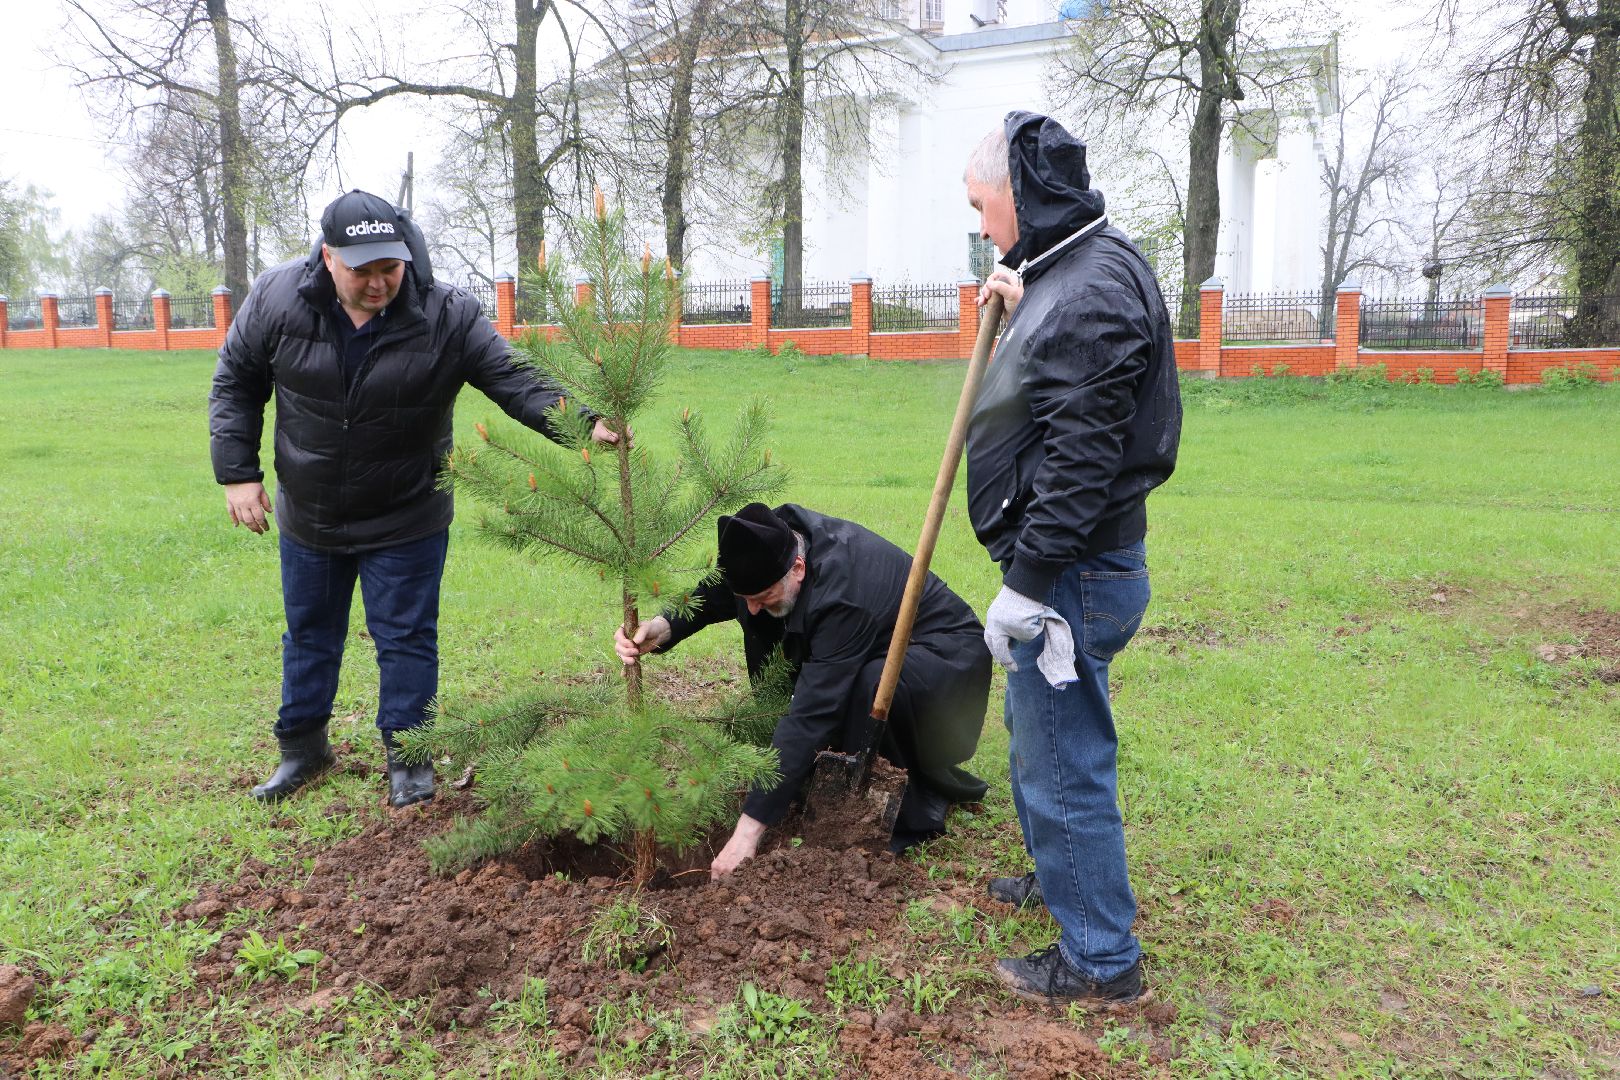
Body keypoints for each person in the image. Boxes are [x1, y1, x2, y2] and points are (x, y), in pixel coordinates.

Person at [210, 189, 618, 809]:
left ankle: (409, 758)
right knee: (310, 633)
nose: (379, 284)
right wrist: (237, 474)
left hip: (407, 511)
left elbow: (509, 376)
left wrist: (582, 422)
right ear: (327, 258)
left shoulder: (445, 314)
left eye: (390, 268)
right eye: (362, 270)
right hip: (310, 510)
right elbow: (236, 381)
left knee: (405, 636)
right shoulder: (276, 299)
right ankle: (302, 749)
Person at [961, 112, 1182, 1006]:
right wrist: (1023, 302)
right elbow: (1068, 369)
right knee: (1039, 740)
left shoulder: (1088, 293)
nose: (979, 227)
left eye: (982, 206)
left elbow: (1082, 461)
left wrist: (1026, 586)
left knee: (1063, 756)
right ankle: (1063, 883)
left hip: (1073, 575)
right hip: (1076, 568)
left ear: (1021, 194)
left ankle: (1100, 959)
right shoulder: (1079, 268)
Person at [614, 502, 992, 878]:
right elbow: (717, 594)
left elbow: (813, 712)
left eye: (763, 597)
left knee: (871, 685)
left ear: (798, 568)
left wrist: (747, 833)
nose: (754, 609)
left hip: (943, 661)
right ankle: (809, 771)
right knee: (785, 639)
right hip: (877, 641)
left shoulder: (842, 594)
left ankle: (907, 810)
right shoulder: (764, 540)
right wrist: (663, 627)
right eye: (747, 597)